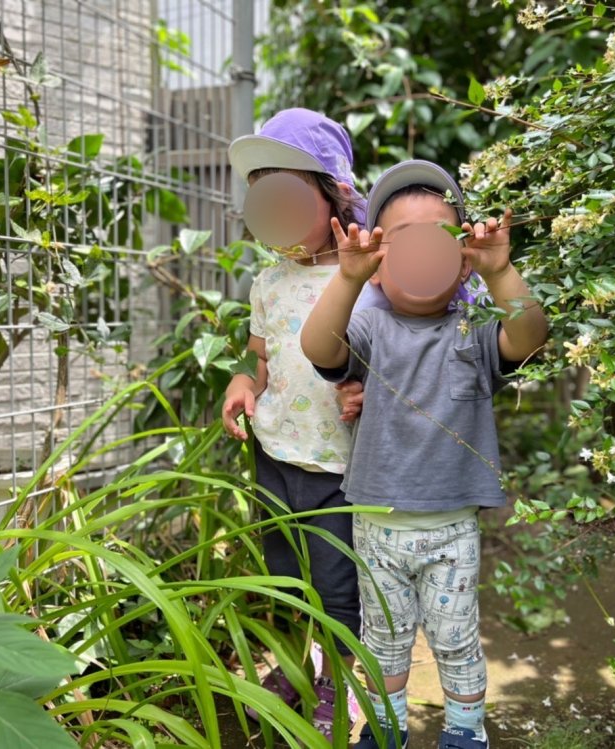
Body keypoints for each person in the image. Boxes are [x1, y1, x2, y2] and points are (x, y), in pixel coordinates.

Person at [300, 160, 549, 749]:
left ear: (462, 256)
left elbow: (530, 336)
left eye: (437, 241)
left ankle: (465, 732)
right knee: (383, 642)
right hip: (377, 526)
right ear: (380, 265)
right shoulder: (369, 327)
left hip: (452, 526)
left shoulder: (475, 327)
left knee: (456, 640)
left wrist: (502, 270)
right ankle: (386, 730)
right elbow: (319, 349)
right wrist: (347, 278)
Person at [221, 107, 365, 741]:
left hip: (342, 464)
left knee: (338, 588)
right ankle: (294, 668)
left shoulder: (367, 275)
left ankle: (341, 679)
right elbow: (262, 357)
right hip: (275, 453)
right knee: (285, 581)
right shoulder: (267, 281)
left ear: (332, 194)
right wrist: (241, 383)